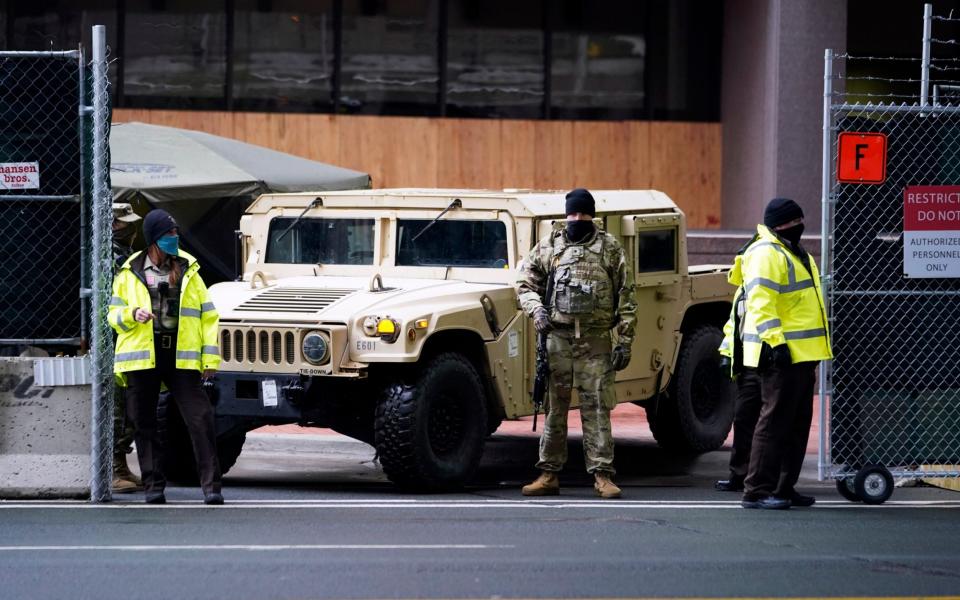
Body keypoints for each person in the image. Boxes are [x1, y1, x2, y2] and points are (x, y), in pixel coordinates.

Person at [517, 188, 637, 498]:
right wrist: (537, 310)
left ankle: (602, 476)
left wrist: (625, 340)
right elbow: (525, 284)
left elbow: (627, 295)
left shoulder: (610, 248)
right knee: (555, 408)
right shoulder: (550, 246)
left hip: (595, 342)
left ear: (592, 215)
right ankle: (548, 474)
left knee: (597, 407)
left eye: (583, 214)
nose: (577, 219)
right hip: (558, 339)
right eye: (573, 213)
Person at [107, 209, 224, 505]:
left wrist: (209, 360)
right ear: (154, 239)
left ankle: (212, 487)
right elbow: (112, 316)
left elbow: (209, 317)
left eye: (175, 233)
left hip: (180, 358)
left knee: (201, 418)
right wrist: (133, 314)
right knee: (143, 422)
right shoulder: (129, 272)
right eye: (169, 234)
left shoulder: (189, 270)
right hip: (143, 357)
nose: (175, 238)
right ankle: (153, 486)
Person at [739, 197, 832, 509]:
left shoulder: (795, 252)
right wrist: (776, 343)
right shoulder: (767, 253)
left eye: (800, 220)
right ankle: (756, 491)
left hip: (803, 354)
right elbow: (761, 303)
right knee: (774, 423)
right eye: (793, 222)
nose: (799, 226)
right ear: (779, 225)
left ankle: (783, 487)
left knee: (796, 424)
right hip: (782, 354)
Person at [714, 254, 762, 493]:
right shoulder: (742, 291)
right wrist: (726, 354)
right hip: (747, 366)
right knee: (743, 421)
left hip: (770, 364)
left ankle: (763, 478)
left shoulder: (767, 288)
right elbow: (733, 326)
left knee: (770, 425)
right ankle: (738, 475)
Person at [111, 203, 144, 494]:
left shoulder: (124, 256)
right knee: (118, 408)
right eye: (124, 224)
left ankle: (120, 465)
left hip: (126, 338)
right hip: (112, 338)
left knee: (127, 406)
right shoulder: (108, 257)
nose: (130, 229)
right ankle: (113, 468)